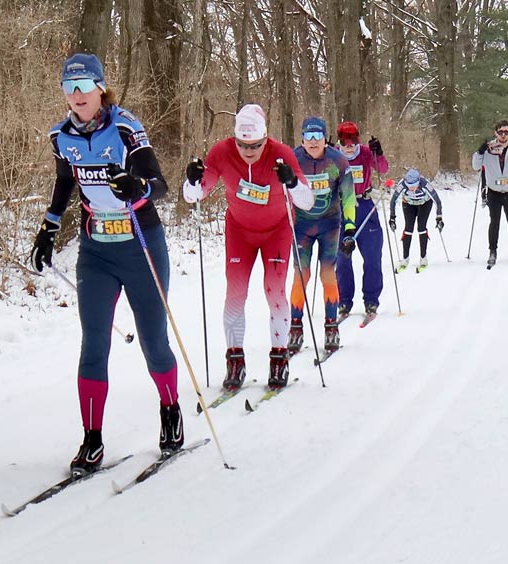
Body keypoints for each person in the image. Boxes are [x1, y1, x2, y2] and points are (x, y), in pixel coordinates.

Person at [29, 53, 184, 476]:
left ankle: (170, 408)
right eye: (69, 88)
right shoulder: (62, 136)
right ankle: (92, 438)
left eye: (84, 87)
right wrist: (49, 228)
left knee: (154, 342)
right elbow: (65, 182)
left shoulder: (126, 128)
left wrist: (137, 186)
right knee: (94, 344)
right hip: (95, 251)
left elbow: (161, 186)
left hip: (140, 245)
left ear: (101, 89)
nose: (77, 96)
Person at [182, 104, 313, 390]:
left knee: (275, 289)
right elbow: (194, 195)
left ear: (265, 138)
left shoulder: (281, 154)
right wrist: (191, 180)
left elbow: (307, 201)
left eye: (255, 145)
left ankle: (279, 358)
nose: (249, 151)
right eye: (243, 144)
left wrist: (291, 182)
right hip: (239, 232)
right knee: (235, 292)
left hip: (276, 230)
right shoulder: (221, 152)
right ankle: (235, 360)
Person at [287, 117, 355, 354]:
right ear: (302, 138)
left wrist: (350, 228)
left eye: (318, 137)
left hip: (330, 224)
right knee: (301, 276)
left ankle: (331, 327)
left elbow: (348, 197)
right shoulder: (292, 159)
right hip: (302, 226)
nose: (313, 142)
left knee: (327, 274)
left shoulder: (338, 161)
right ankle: (295, 328)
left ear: (326, 138)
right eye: (308, 137)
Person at [334, 121, 388, 318]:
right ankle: (344, 301)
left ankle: (371, 300)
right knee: (342, 258)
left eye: (353, 142)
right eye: (345, 142)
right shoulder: (333, 154)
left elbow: (383, 169)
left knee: (373, 256)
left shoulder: (365, 152)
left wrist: (378, 153)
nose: (349, 147)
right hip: (340, 208)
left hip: (363, 205)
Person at [472, 119, 508, 267]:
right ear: (495, 133)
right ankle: (492, 251)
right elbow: (476, 166)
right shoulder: (489, 148)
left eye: (506, 132)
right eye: (500, 132)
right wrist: (480, 151)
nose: (503, 135)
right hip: (494, 192)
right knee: (494, 222)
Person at [388, 168, 443, 269]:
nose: (411, 189)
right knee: (408, 228)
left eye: (413, 186)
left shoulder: (425, 184)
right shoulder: (402, 185)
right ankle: (405, 259)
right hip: (408, 204)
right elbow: (393, 201)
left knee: (421, 227)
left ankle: (423, 258)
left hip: (425, 203)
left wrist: (439, 217)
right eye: (409, 187)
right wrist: (392, 218)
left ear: (418, 182)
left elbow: (437, 201)